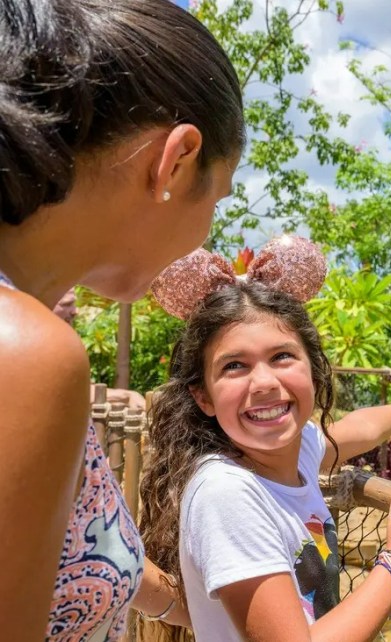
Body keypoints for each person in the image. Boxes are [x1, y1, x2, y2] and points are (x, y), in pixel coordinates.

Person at [0, 0, 244, 638]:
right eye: (218, 197)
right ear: (176, 161)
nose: (208, 231)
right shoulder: (25, 354)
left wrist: (186, 608)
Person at [140, 238, 391, 642]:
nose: (264, 382)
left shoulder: (293, 454)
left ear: (313, 370)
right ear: (203, 395)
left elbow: (357, 430)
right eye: (234, 366)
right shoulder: (228, 493)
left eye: (282, 357)